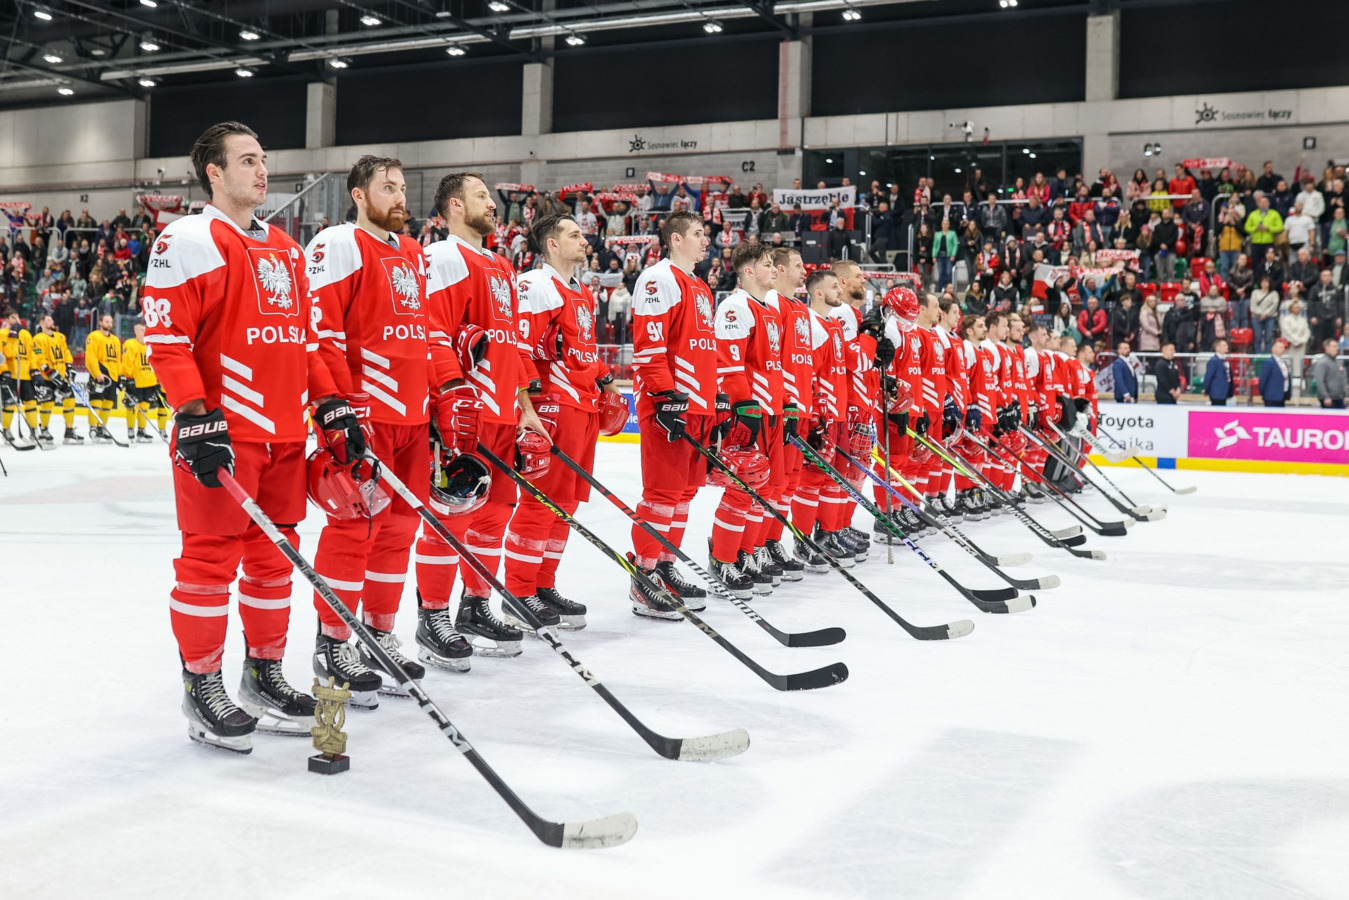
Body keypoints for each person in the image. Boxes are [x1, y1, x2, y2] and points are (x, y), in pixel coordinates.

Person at [143, 121, 352, 753]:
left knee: (273, 561)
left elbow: (306, 343)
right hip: (225, 435)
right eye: (247, 161)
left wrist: (332, 403)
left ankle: (263, 674)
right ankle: (201, 683)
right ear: (214, 172)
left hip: (286, 435)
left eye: (264, 160)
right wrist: (193, 414)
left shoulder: (288, 248)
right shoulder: (188, 237)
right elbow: (165, 338)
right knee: (209, 562)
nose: (262, 172)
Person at [302, 155, 443, 697]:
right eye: (388, 187)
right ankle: (333, 641)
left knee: (400, 529)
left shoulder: (411, 252)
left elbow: (424, 335)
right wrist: (336, 404)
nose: (400, 196)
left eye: (403, 186)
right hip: (364, 413)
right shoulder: (339, 243)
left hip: (412, 415)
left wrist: (435, 403)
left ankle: (378, 633)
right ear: (359, 195)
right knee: (355, 526)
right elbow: (321, 331)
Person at [413, 172, 551, 660]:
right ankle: (432, 616)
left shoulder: (500, 264)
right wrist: (449, 397)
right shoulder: (443, 257)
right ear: (454, 205)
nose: (493, 206)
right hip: (464, 413)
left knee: (493, 516)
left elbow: (509, 348)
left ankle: (475, 605)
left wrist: (526, 409)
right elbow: (430, 331)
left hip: (501, 413)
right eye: (482, 197)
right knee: (451, 516)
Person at [624, 210, 720, 617]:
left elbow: (704, 350)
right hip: (670, 404)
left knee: (683, 495)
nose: (706, 241)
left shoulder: (699, 285)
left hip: (698, 405)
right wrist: (665, 396)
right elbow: (649, 343)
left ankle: (664, 565)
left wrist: (716, 403)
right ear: (676, 239)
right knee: (662, 494)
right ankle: (643, 576)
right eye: (698, 234)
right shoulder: (658, 278)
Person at [707, 242, 786, 597]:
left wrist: (785, 405)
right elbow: (729, 362)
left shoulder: (768, 308)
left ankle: (746, 551)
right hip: (748, 410)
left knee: (764, 490)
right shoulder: (736, 306)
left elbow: (772, 366)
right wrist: (744, 405)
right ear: (749, 271)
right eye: (768, 264)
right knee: (743, 489)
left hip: (770, 409)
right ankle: (723, 558)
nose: (775, 269)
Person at [31, 314, 79, 443]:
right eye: (48, 320)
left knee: (70, 400)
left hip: (62, 375)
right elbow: (38, 356)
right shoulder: (38, 339)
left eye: (51, 319)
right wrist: (48, 370)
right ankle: (44, 429)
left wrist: (70, 367)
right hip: (48, 377)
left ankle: (69, 430)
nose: (51, 321)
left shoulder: (60, 336)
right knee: (48, 403)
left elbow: (66, 352)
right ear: (41, 323)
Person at [119, 319, 166, 443]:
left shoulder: (150, 345)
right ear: (135, 331)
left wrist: (157, 379)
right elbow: (127, 362)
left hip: (149, 380)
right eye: (141, 329)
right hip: (135, 381)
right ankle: (130, 429)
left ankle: (141, 430)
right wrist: (127, 378)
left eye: (145, 329)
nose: (144, 331)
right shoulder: (130, 344)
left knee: (145, 405)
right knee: (132, 406)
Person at [0, 308, 38, 447]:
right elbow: (8, 353)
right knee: (9, 403)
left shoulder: (26, 334)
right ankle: (7, 430)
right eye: (12, 317)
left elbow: (33, 353)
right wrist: (13, 336)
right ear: (6, 319)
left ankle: (34, 429)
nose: (16, 319)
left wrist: (34, 369)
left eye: (17, 316)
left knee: (31, 402)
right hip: (10, 374)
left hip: (25, 374)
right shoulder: (3, 334)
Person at [83, 312, 121, 443]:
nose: (109, 324)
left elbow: (118, 360)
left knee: (108, 403)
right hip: (99, 373)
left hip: (113, 375)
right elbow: (90, 357)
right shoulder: (94, 336)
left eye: (110, 322)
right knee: (96, 401)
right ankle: (93, 427)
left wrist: (119, 376)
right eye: (106, 322)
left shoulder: (116, 340)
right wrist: (97, 373)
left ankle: (101, 428)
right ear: (100, 323)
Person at [1250, 275, 1281, 354]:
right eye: (1263, 282)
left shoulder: (1274, 293)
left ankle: (1267, 355)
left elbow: (1274, 305)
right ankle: (1258, 356)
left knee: (1268, 338)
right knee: (1257, 338)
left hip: (1270, 317)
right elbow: (1253, 306)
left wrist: (1266, 314)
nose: (1264, 284)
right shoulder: (1255, 292)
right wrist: (1260, 314)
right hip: (1257, 317)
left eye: (1266, 282)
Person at [1311, 338, 1346, 408]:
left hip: (1340, 397)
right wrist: (1325, 396)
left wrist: (1346, 395)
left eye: (1337, 346)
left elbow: (1343, 379)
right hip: (1329, 399)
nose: (1337, 348)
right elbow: (1319, 381)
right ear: (1327, 348)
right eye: (1334, 346)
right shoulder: (1322, 363)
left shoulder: (1338, 362)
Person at [1259, 339, 1291, 407]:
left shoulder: (1283, 362)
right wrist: (1263, 394)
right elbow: (1263, 380)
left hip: (1282, 396)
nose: (1282, 350)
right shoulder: (1269, 363)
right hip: (1271, 397)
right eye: (1280, 347)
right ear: (1273, 348)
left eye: (1283, 348)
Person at [1204, 339, 1231, 406]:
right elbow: (1208, 377)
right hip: (1217, 394)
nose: (1227, 347)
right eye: (1224, 345)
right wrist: (1206, 389)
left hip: (1223, 393)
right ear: (1217, 348)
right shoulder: (1213, 361)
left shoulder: (1224, 360)